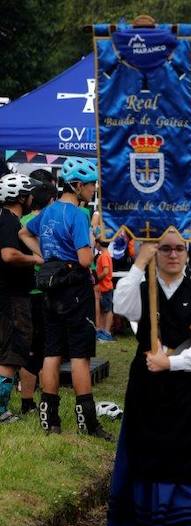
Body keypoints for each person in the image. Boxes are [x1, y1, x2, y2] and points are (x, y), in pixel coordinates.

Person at [107, 230, 191, 526]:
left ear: (187, 253)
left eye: (179, 249)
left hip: (186, 393)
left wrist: (170, 363)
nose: (173, 254)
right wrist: (139, 262)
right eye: (165, 249)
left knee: (180, 462)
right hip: (146, 390)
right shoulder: (144, 289)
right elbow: (121, 306)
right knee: (149, 460)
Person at [19, 157, 111, 439]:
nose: (94, 189)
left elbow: (24, 232)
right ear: (78, 185)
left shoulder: (46, 212)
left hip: (50, 287)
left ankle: (50, 420)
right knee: (80, 355)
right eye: (92, 184)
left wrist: (46, 256)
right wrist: (92, 246)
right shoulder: (79, 216)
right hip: (75, 289)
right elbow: (84, 260)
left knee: (51, 352)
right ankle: (88, 423)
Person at [0, 174, 41, 424]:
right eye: (29, 193)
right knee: (11, 352)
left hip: (10, 296)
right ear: (20, 197)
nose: (32, 198)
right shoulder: (8, 222)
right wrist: (35, 259)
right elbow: (7, 254)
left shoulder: (8, 221)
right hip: (12, 297)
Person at [17, 170, 56, 416]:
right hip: (41, 290)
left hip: (22, 290)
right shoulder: (49, 221)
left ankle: (31, 400)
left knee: (29, 346)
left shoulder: (19, 221)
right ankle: (31, 401)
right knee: (40, 346)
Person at [95, 239, 115, 342]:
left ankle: (107, 332)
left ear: (98, 243)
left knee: (108, 310)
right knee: (103, 310)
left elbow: (106, 270)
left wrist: (97, 278)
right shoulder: (105, 255)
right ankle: (102, 331)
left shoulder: (104, 256)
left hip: (106, 286)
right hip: (103, 287)